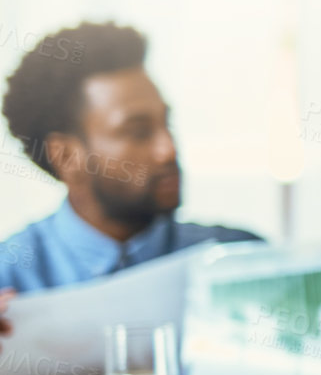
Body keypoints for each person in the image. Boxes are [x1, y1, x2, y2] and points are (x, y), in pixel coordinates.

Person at [0, 23, 261, 348]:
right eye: (138, 132)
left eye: (166, 123)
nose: (168, 149)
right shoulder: (8, 279)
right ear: (66, 156)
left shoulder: (241, 261)